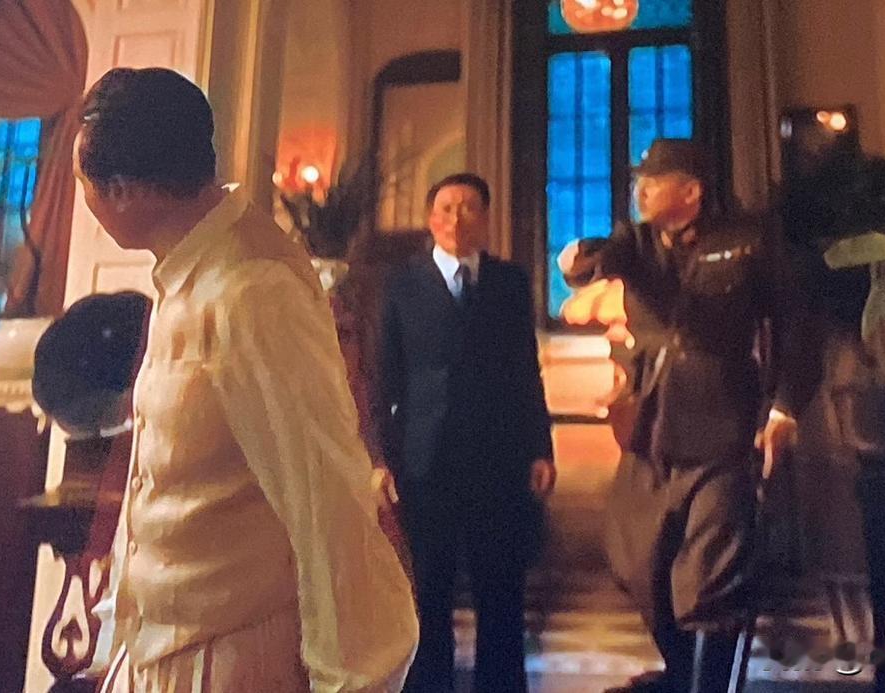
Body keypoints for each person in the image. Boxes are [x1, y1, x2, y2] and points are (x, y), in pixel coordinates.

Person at [73, 67, 417, 693]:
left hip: (230, 660)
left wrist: (352, 677)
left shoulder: (251, 288)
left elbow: (326, 498)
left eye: (85, 185)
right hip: (166, 648)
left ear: (123, 192)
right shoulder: (188, 271)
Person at [562, 139, 819, 693]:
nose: (641, 192)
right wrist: (580, 259)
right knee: (636, 562)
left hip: (724, 429)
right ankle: (680, 674)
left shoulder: (748, 240)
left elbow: (798, 324)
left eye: (653, 182)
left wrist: (783, 408)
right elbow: (598, 262)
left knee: (711, 580)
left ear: (691, 192)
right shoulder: (635, 241)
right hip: (651, 430)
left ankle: (707, 685)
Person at [375, 172, 556, 692]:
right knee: (428, 593)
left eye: (469, 208)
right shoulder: (403, 285)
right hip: (425, 461)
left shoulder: (509, 283)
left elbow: (526, 370)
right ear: (431, 219)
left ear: (486, 219)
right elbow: (385, 376)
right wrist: (380, 457)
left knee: (500, 591)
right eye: (447, 208)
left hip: (498, 459)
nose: (457, 219)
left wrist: (540, 447)